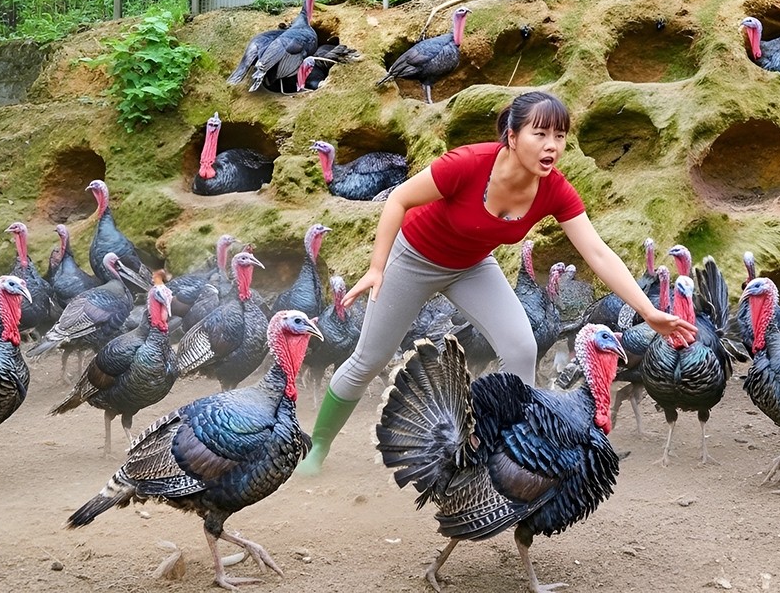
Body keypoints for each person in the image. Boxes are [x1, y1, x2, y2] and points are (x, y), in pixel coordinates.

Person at [298, 91, 696, 475]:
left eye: (559, 136)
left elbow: (598, 253)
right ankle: (317, 446)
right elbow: (399, 199)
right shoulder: (468, 163)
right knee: (370, 358)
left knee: (522, 348)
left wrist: (648, 311)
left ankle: (509, 454)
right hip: (415, 257)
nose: (551, 146)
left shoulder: (554, 188)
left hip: (473, 266)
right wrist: (377, 266)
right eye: (540, 134)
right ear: (512, 136)